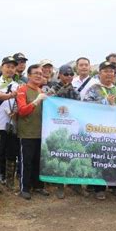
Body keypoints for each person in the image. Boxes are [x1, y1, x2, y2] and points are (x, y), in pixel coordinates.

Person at [83, 61, 116, 200]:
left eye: (111, 71)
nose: (109, 74)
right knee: (100, 158)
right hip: (99, 131)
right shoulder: (93, 89)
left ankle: (115, 186)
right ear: (99, 73)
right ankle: (99, 188)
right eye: (106, 71)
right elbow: (86, 106)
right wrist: (104, 102)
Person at [47, 65, 89, 198]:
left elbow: (79, 107)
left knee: (75, 154)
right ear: (59, 75)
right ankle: (60, 185)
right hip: (57, 127)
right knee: (60, 155)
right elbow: (49, 102)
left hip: (72, 127)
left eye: (71, 75)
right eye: (66, 74)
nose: (69, 77)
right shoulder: (53, 89)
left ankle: (75, 184)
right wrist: (61, 93)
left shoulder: (74, 90)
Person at [16, 64, 50, 200]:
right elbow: (22, 111)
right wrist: (36, 101)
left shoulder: (41, 92)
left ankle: (38, 186)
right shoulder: (22, 90)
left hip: (41, 133)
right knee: (26, 161)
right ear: (29, 75)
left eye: (41, 74)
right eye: (35, 73)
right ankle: (24, 188)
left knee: (38, 161)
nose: (38, 76)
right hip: (27, 133)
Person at [0, 56, 20, 194]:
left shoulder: (17, 85)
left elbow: (19, 103)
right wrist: (11, 95)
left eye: (13, 67)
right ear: (2, 67)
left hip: (12, 126)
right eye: (7, 66)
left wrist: (16, 111)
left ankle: (10, 182)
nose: (10, 69)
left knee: (12, 154)